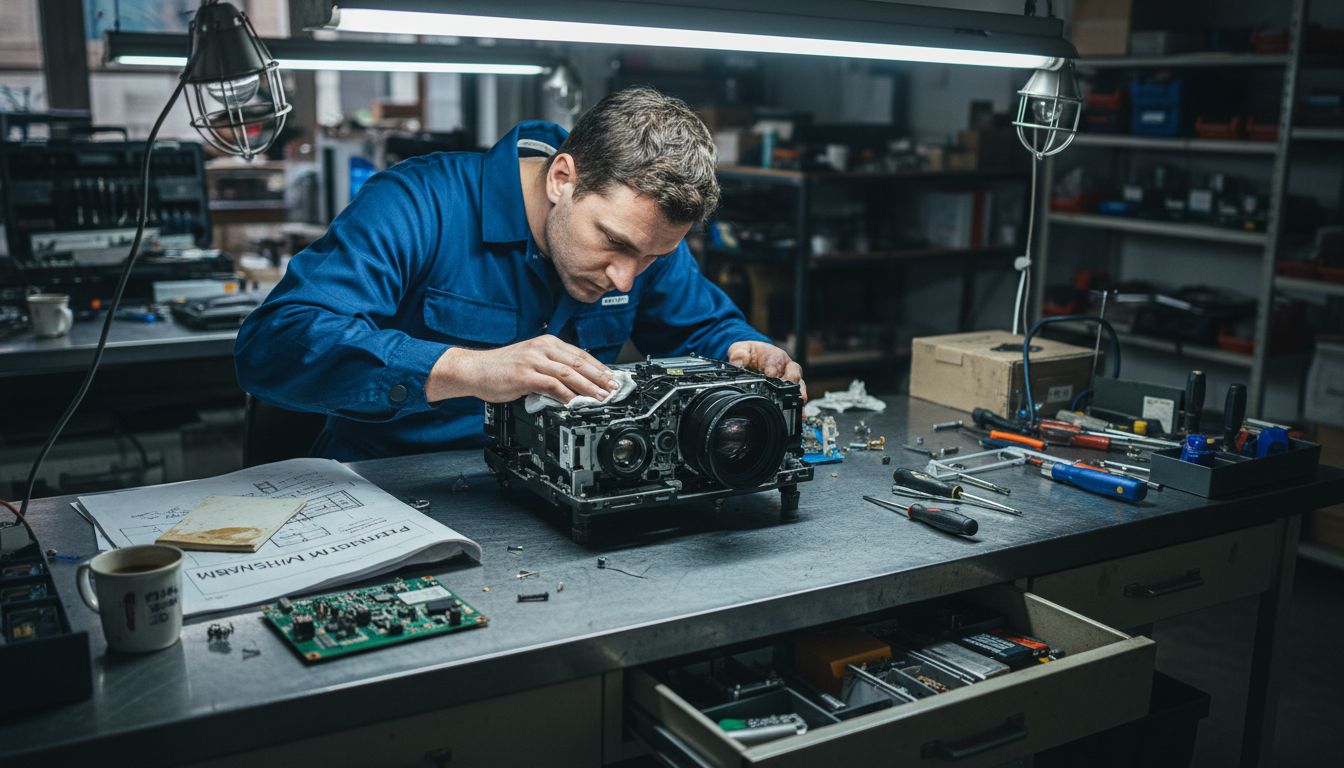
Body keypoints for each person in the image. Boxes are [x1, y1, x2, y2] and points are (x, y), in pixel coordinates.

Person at [236, 87, 804, 461]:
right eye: (613, 244)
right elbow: (274, 343)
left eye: (652, 259)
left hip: (560, 485)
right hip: (392, 486)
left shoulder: (642, 236)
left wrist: (745, 350)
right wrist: (466, 368)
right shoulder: (418, 203)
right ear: (562, 178)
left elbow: (704, 328)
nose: (626, 279)